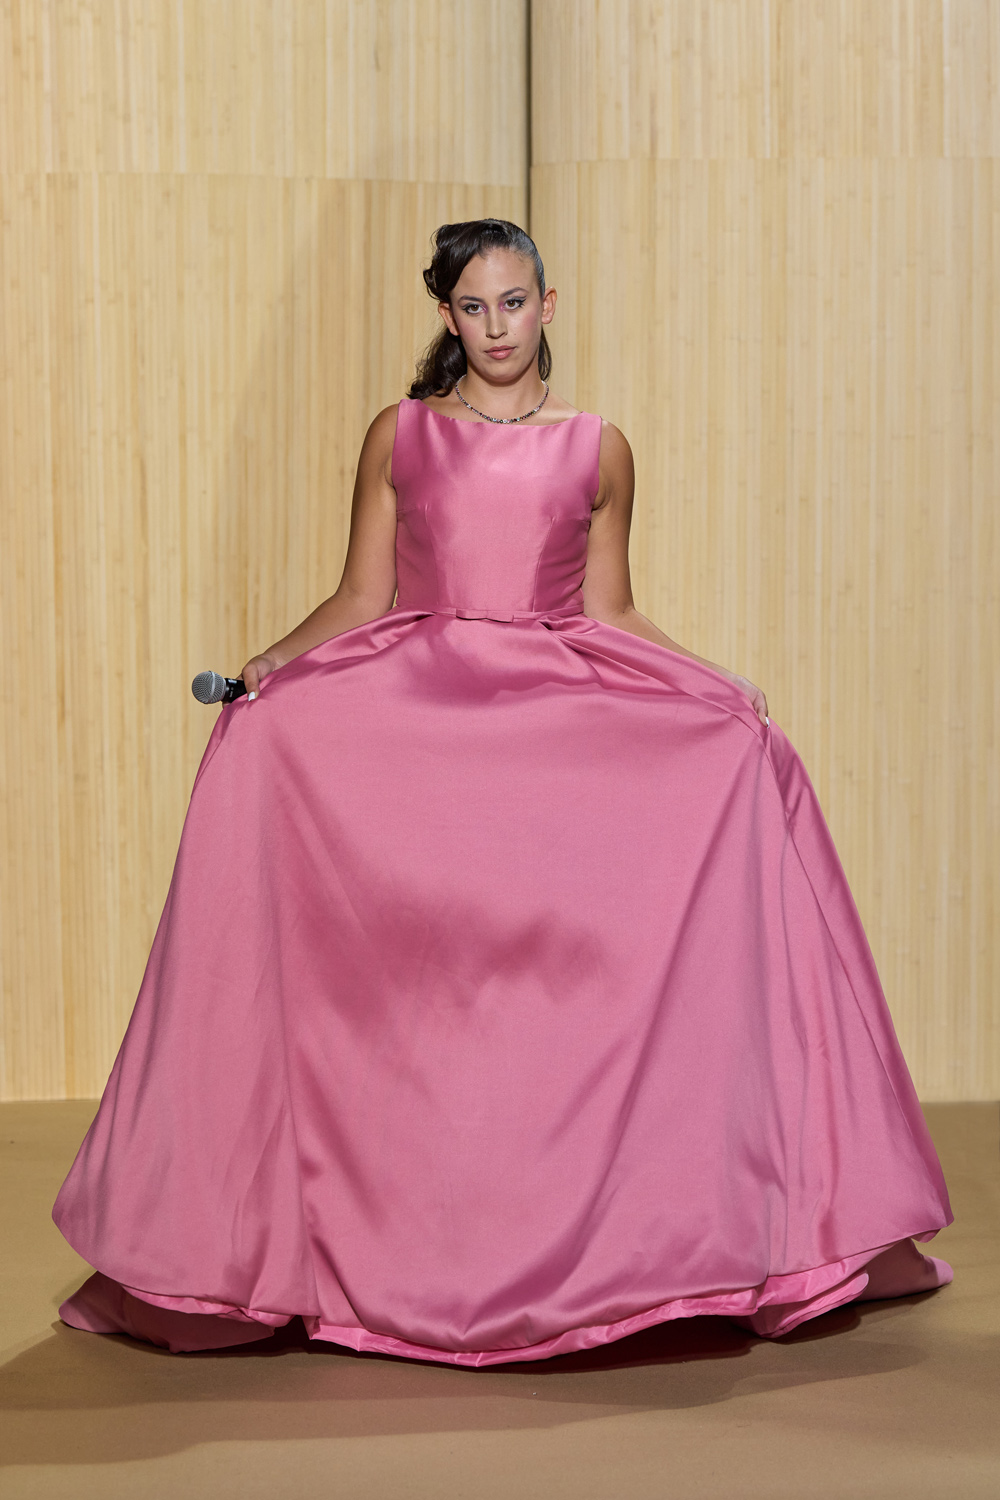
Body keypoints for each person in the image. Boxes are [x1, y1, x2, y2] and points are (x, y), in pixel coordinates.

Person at [54, 219, 951, 1362]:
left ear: (549, 304)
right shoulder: (402, 434)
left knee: (699, 808)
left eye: (514, 303)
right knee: (311, 821)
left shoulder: (597, 449)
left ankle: (659, 1227)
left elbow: (610, 612)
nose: (495, 327)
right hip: (417, 713)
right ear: (447, 315)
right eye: (473, 308)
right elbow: (363, 596)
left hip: (552, 712)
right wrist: (272, 664)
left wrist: (715, 685)